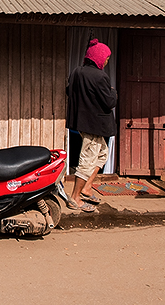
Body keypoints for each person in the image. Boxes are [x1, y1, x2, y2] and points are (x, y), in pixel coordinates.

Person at [65, 39, 117, 213]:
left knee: (102, 154)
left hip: (82, 123)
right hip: (94, 125)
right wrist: (113, 91)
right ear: (98, 57)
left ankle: (86, 188)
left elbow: (69, 91)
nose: (107, 61)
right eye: (106, 58)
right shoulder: (100, 77)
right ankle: (75, 197)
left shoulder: (76, 72)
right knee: (87, 160)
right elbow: (109, 102)